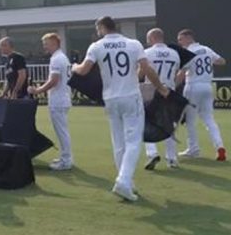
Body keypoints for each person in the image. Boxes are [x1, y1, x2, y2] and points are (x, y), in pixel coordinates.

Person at [72, 16, 169, 202]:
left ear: (102, 27)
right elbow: (146, 69)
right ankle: (124, 180)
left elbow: (83, 70)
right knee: (133, 141)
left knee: (119, 142)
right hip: (130, 96)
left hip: (110, 98)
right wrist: (161, 88)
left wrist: (75, 67)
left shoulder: (96, 46)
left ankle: (127, 181)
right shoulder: (133, 44)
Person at [176, 29, 226, 161]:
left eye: (181, 39)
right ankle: (220, 146)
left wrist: (171, 87)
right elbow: (221, 61)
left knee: (190, 120)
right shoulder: (206, 49)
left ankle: (193, 149)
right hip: (207, 86)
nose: (180, 43)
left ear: (188, 38)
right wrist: (208, 61)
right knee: (209, 119)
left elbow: (182, 74)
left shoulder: (188, 52)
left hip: (193, 86)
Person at [28, 33, 73, 171]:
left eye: (46, 43)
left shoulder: (57, 59)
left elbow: (54, 80)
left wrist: (37, 90)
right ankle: (65, 157)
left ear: (54, 42)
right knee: (62, 131)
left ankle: (66, 160)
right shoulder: (60, 57)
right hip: (62, 98)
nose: (44, 46)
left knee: (62, 132)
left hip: (58, 100)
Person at [141, 28, 183, 170]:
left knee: (146, 123)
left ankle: (152, 153)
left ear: (152, 38)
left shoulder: (146, 53)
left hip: (151, 89)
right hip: (168, 90)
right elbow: (178, 73)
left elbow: (141, 72)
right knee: (168, 125)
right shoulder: (174, 54)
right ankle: (172, 159)